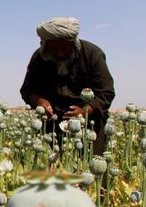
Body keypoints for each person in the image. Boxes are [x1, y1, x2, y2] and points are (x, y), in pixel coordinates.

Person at [20, 17, 115, 155]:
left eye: (64, 48)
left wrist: (85, 111)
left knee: (91, 170)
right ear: (46, 45)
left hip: (90, 126)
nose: (59, 53)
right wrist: (39, 101)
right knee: (56, 171)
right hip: (53, 125)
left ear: (73, 43)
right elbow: (27, 89)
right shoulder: (40, 57)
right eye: (54, 48)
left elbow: (106, 92)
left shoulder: (92, 54)